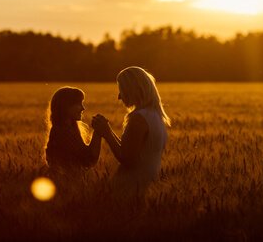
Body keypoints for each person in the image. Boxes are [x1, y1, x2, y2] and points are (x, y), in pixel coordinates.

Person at [92, 66, 170, 200]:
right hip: (146, 185)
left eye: (121, 89)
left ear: (133, 90)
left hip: (129, 187)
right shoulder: (156, 116)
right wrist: (108, 129)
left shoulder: (139, 118)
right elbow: (130, 150)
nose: (119, 96)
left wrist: (106, 133)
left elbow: (128, 160)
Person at [45, 86, 102, 174]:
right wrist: (98, 131)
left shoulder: (70, 129)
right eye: (79, 104)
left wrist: (98, 131)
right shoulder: (62, 133)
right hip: (66, 185)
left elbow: (87, 159)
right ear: (66, 106)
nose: (83, 108)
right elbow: (88, 161)